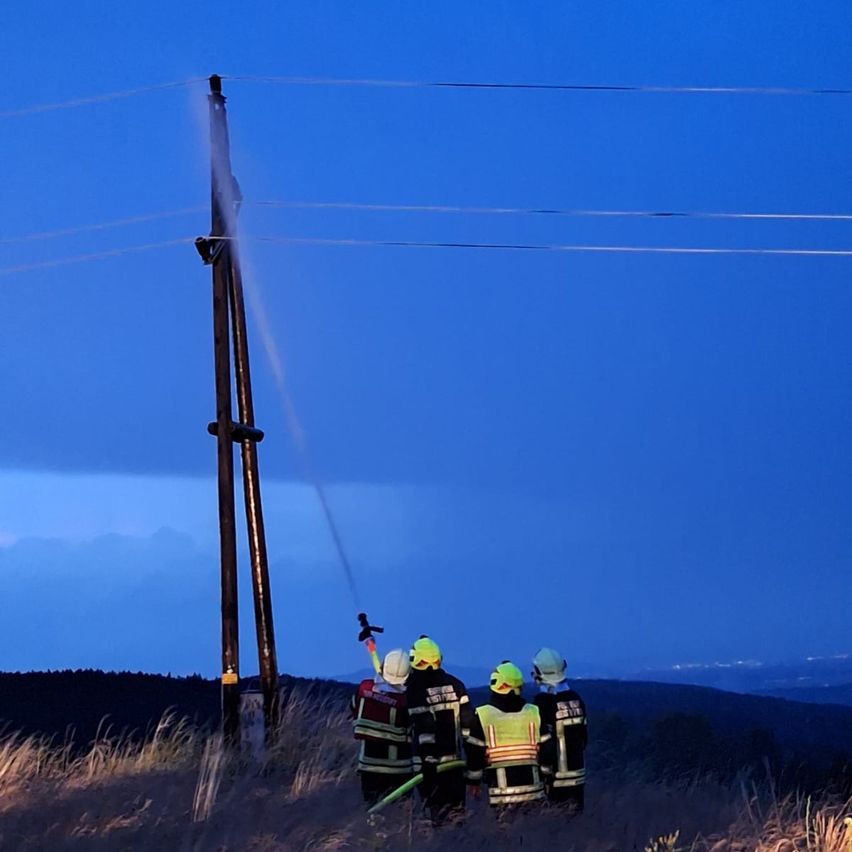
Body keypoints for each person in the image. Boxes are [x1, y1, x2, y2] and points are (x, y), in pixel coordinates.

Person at [405, 635, 474, 823]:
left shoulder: (415, 689)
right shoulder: (457, 685)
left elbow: (424, 727)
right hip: (456, 764)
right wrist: (473, 764)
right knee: (457, 817)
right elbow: (468, 727)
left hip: (429, 767)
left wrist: (427, 761)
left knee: (435, 818)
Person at [464, 661, 549, 809]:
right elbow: (548, 752)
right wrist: (547, 778)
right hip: (534, 791)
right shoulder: (534, 713)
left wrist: (474, 781)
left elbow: (474, 754)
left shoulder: (483, 715)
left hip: (501, 794)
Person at [351, 648, 413, 805]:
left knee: (372, 810)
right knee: (399, 814)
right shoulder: (407, 700)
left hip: (368, 766)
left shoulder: (364, 689)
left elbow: (353, 706)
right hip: (400, 768)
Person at [531, 647, 587, 812]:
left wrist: (544, 773)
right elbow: (584, 738)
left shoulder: (542, 704)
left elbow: (543, 744)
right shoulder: (576, 699)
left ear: (539, 672)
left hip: (554, 779)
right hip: (577, 775)